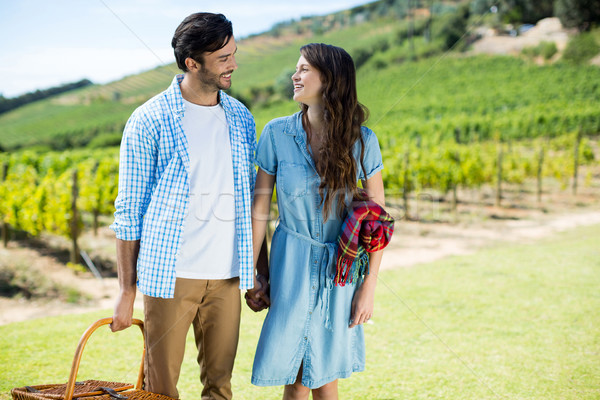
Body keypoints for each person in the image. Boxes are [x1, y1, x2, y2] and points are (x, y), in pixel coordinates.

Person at [109, 12, 266, 400]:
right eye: (223, 58)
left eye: (234, 53)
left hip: (228, 277)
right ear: (192, 63)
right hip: (170, 276)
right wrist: (127, 290)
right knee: (160, 391)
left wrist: (259, 272)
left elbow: (252, 203)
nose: (234, 64)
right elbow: (128, 212)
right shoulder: (148, 120)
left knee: (220, 388)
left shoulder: (241, 118)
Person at [247, 43, 389, 399]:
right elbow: (259, 211)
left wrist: (368, 288)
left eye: (304, 69)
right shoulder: (276, 133)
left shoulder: (363, 141)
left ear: (329, 80)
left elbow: (378, 225)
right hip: (290, 263)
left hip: (339, 270)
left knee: (325, 374)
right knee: (293, 373)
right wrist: (255, 272)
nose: (295, 76)